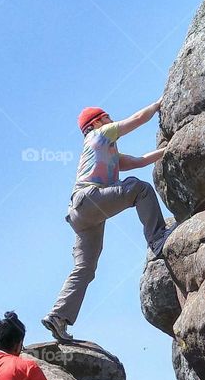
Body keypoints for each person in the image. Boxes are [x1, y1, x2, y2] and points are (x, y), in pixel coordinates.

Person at [42, 100, 173, 343]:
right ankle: (157, 238)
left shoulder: (106, 149)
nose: (112, 120)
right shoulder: (100, 135)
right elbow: (136, 119)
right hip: (89, 200)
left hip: (82, 215)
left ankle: (58, 317)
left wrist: (168, 150)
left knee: (85, 268)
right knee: (139, 189)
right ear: (97, 122)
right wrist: (158, 105)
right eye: (108, 117)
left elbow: (139, 161)